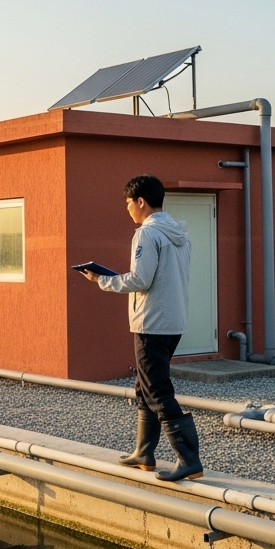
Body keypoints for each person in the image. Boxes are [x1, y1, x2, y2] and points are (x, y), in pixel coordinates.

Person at [79, 174, 202, 481]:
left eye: (128, 203)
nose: (127, 209)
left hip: (151, 322)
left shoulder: (147, 234)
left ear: (141, 201)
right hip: (173, 320)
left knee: (157, 390)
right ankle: (144, 453)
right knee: (145, 386)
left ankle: (189, 460)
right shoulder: (180, 233)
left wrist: (102, 280)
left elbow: (140, 279)